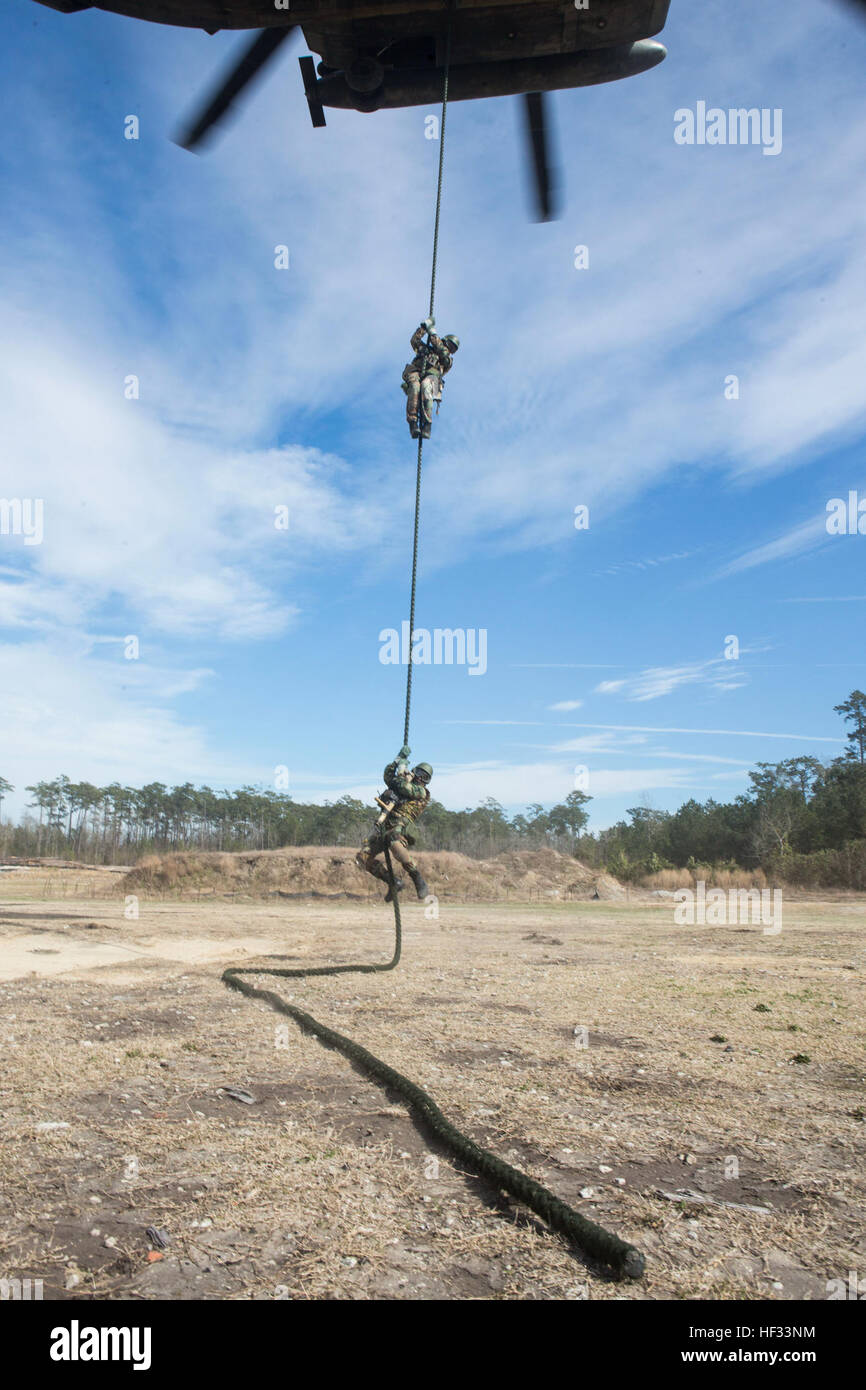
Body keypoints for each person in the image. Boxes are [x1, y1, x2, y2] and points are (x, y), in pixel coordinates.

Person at [356, 747, 432, 901]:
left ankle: (417, 877)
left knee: (394, 841)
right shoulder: (401, 782)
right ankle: (393, 882)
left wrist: (401, 773)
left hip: (400, 825)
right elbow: (388, 776)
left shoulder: (422, 792)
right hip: (385, 824)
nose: (419, 778)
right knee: (362, 858)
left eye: (424, 777)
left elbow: (404, 787)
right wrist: (398, 759)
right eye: (418, 773)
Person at [402, 317, 459, 440]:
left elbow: (443, 352)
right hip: (416, 372)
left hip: (432, 378)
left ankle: (426, 425)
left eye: (453, 349)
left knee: (426, 387)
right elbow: (414, 340)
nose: (450, 349)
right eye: (450, 345)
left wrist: (433, 334)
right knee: (415, 387)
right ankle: (413, 423)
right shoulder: (427, 350)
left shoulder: (447, 360)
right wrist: (423, 327)